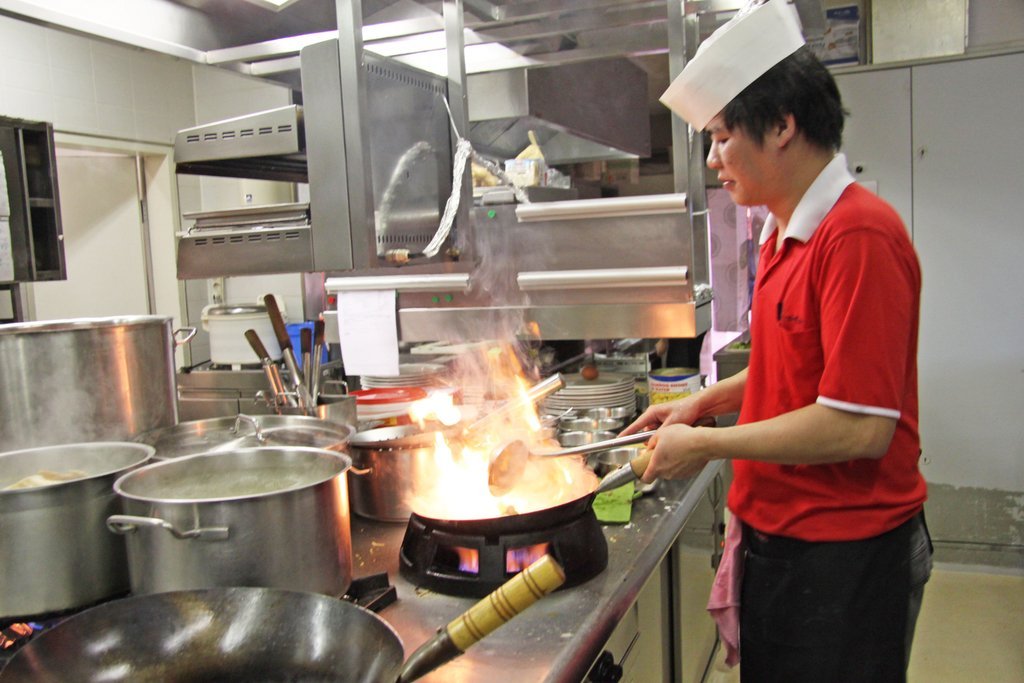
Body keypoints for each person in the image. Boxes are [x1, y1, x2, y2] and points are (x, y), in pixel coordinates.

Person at [621, 1, 932, 681]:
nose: (713, 159)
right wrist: (700, 405)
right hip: (783, 538)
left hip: (843, 555)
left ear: (783, 126)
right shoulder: (780, 231)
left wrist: (706, 446)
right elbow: (784, 365)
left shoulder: (857, 236)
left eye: (722, 136)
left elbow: (858, 428)